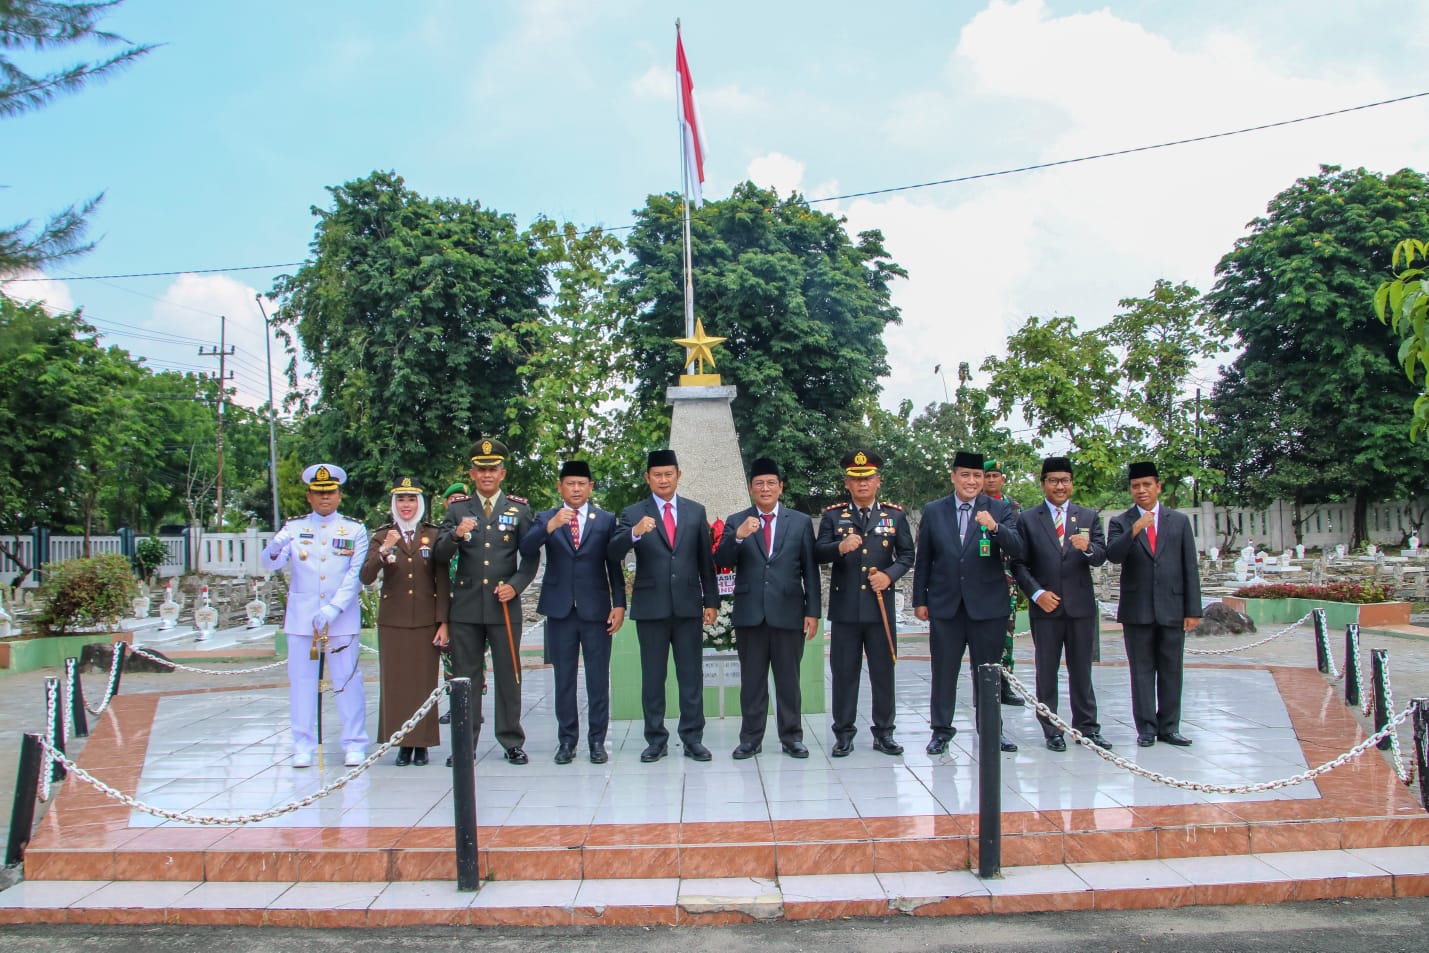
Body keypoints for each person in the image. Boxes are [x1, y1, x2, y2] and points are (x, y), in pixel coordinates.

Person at [609, 449, 719, 763]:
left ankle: (692, 737)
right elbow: (613, 552)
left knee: (691, 675)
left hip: (687, 607)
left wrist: (710, 601)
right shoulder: (633, 513)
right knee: (653, 677)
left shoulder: (695, 511)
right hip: (651, 607)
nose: (663, 479)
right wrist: (634, 533)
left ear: (678, 475)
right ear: (647, 478)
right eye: (657, 475)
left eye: (668, 474)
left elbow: (705, 562)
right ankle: (655, 739)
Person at [433, 439, 538, 766]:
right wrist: (455, 535)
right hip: (466, 606)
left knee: (509, 675)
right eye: (481, 469)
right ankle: (465, 743)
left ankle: (511, 740)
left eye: (493, 469)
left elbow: (531, 557)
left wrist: (517, 586)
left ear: (502, 473)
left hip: (503, 605)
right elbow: (438, 555)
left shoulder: (518, 509)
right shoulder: (458, 509)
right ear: (472, 473)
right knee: (466, 678)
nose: (487, 475)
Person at [912, 450, 1024, 754]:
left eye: (977, 476)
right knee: (944, 671)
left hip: (988, 607)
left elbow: (1018, 549)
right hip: (946, 605)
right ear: (953, 477)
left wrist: (996, 528)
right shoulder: (934, 510)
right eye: (965, 475)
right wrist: (919, 599)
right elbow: (925, 558)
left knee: (987, 673)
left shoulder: (1000, 509)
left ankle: (991, 730)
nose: (971, 481)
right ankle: (941, 730)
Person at [260, 464, 370, 768]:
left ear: (340, 495)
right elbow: (271, 564)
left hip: (341, 617)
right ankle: (303, 743)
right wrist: (274, 547)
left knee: (347, 681)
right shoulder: (293, 529)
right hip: (302, 618)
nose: (325, 498)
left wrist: (334, 608)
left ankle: (354, 741)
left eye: (330, 492)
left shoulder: (354, 529)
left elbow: (355, 575)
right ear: (309, 496)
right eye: (319, 493)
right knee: (302, 682)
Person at [519, 460, 626, 765]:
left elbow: (613, 564)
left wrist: (619, 603)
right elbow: (526, 548)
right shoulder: (546, 517)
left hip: (596, 610)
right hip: (560, 611)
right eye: (570, 483)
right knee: (563, 678)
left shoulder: (605, 519)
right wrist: (549, 527)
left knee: (597, 679)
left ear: (590, 487)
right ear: (560, 487)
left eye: (582, 484)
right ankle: (567, 741)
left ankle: (597, 741)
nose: (576, 489)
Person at [715, 458, 821, 759]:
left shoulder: (799, 521)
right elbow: (721, 560)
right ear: (751, 488)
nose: (765, 488)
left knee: (789, 679)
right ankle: (750, 738)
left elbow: (809, 570)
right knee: (752, 680)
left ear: (780, 487)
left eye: (770, 483)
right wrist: (738, 536)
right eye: (759, 483)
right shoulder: (737, 520)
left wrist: (812, 611)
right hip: (750, 614)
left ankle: (792, 738)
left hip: (789, 612)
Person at [815, 449, 913, 757]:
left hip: (880, 608)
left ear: (878, 482)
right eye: (856, 480)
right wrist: (839, 547)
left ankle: (884, 732)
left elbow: (908, 555)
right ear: (847, 483)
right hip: (845, 610)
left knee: (884, 672)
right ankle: (843, 733)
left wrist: (889, 575)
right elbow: (817, 553)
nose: (862, 485)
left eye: (868, 479)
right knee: (844, 673)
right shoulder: (833, 516)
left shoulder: (894, 515)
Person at [1010, 457, 1112, 752]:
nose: (1059, 486)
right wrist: (1037, 593)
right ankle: (1051, 728)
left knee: (1082, 671)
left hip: (1080, 607)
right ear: (1043, 484)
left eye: (1065, 480)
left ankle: (1088, 727)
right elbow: (1018, 564)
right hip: (1047, 607)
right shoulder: (1028, 519)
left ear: (1072, 484)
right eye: (1053, 480)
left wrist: (1089, 548)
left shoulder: (1088, 517)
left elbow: (1102, 555)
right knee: (1046, 670)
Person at [1105, 461, 1202, 747]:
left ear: (1158, 487)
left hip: (1173, 608)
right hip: (1137, 610)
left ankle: (1169, 727)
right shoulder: (1121, 522)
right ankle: (1146, 728)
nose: (1141, 490)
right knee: (1142, 671)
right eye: (1136, 486)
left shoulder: (1179, 521)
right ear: (1130, 490)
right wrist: (1135, 530)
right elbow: (1113, 555)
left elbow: (1190, 567)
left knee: (1172, 669)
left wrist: (1193, 609)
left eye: (1147, 485)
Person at [359, 476, 449, 767]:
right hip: (394, 620)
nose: (406, 505)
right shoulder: (382, 535)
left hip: (426, 619)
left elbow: (442, 580)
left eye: (411, 499)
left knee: (424, 683)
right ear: (394, 504)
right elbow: (366, 576)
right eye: (401, 500)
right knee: (396, 684)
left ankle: (421, 744)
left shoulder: (433, 535)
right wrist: (385, 549)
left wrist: (443, 621)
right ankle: (400, 743)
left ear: (419, 503)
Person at [983, 459, 1025, 707]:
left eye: (995, 476)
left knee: (1005, 636)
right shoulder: (973, 505)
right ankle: (985, 686)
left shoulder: (1014, 508)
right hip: (979, 577)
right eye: (987, 476)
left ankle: (1005, 684)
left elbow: (1020, 544)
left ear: (1002, 479)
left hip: (1006, 577)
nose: (990, 480)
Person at [436, 482, 470, 727]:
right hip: (449, 604)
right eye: (452, 499)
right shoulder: (443, 533)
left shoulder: (474, 531)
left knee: (473, 659)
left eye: (461, 499)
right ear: (446, 504)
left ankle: (472, 705)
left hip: (472, 602)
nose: (456, 502)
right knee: (449, 660)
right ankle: (453, 704)